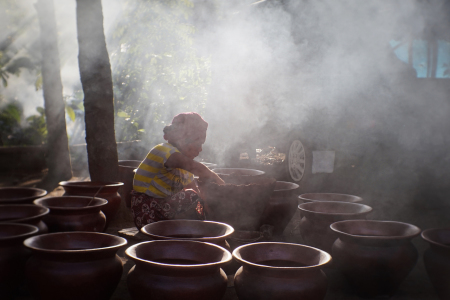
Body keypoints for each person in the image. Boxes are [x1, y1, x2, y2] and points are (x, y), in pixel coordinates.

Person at [130, 112, 224, 229]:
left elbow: (197, 192)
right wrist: (223, 185)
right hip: (147, 213)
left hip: (164, 212)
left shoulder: (185, 169)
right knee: (190, 196)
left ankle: (192, 228)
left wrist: (209, 211)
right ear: (183, 140)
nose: (200, 149)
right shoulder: (163, 151)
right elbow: (196, 168)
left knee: (197, 198)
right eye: (198, 144)